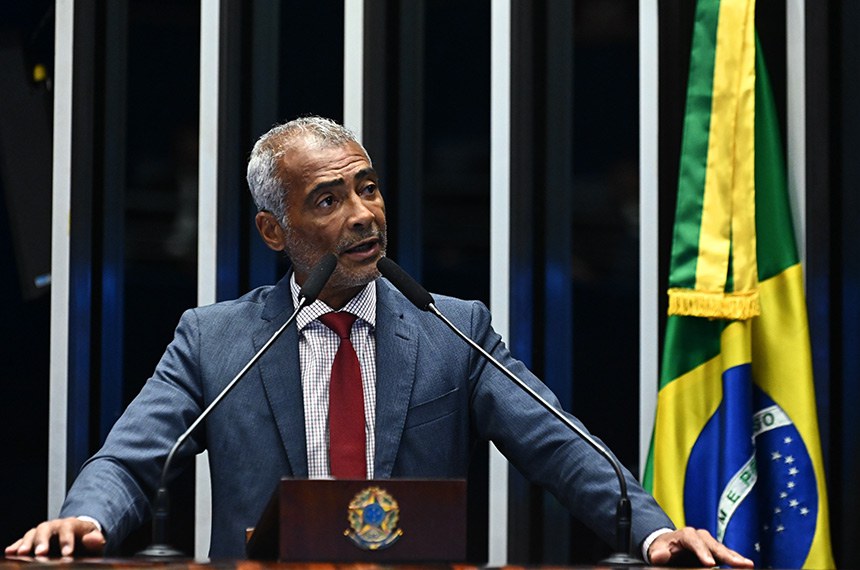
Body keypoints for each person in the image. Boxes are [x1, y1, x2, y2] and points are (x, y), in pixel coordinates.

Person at [6, 116, 753, 567]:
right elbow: (135, 457)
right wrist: (88, 518)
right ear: (275, 229)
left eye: (368, 187)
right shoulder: (217, 340)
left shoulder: (454, 330)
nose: (364, 215)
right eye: (329, 200)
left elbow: (561, 446)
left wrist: (653, 533)